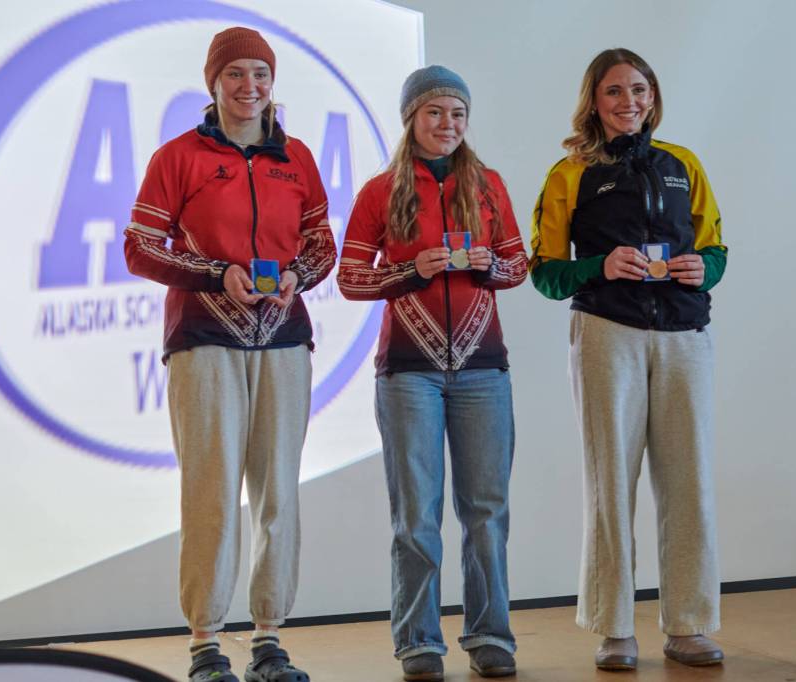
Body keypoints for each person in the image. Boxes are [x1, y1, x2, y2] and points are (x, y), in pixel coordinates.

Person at [124, 26, 335, 682]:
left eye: (261, 75)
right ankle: (205, 643)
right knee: (210, 490)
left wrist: (300, 273)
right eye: (236, 74)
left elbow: (322, 244)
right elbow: (140, 246)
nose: (250, 87)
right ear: (213, 81)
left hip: (283, 340)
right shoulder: (177, 156)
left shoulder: (296, 156)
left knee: (278, 492)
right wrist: (217, 274)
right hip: (203, 340)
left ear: (274, 83)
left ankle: (269, 639)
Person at [530, 48, 728, 671]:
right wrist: (599, 266)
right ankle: (614, 628)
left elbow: (716, 247)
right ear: (594, 101)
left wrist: (705, 269)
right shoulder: (569, 173)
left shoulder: (683, 165)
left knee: (688, 481)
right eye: (614, 92)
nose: (629, 102)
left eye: (638, 90)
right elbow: (545, 273)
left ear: (653, 95)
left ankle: (689, 625)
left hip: (682, 335)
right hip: (605, 333)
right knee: (609, 481)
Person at [337, 65, 528, 681]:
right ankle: (419, 642)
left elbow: (519, 264)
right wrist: (413, 270)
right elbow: (348, 278)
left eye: (458, 114)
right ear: (411, 119)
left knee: (486, 511)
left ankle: (490, 634)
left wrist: (486, 266)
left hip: (483, 371)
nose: (448, 125)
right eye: (435, 112)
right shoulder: (378, 192)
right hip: (407, 374)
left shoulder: (491, 184)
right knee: (416, 515)